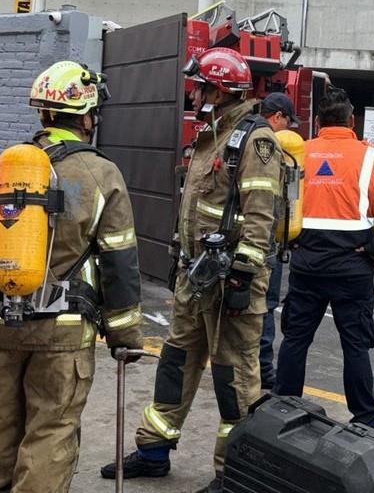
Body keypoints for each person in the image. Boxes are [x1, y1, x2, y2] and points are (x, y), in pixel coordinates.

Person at [104, 47, 282, 493]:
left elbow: (261, 216)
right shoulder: (212, 135)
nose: (196, 93)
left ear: (220, 90)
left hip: (230, 283)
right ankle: (152, 450)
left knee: (234, 376)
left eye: (202, 86)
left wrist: (243, 275)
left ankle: (233, 473)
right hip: (197, 277)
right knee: (176, 361)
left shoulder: (255, 140)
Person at [0, 61, 143, 493]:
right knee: (50, 433)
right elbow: (119, 263)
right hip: (64, 334)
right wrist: (125, 337)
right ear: (86, 116)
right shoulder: (102, 174)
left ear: (43, 113)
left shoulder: (2, 168)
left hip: (2, 322)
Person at [273, 88, 374, 431]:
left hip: (307, 264)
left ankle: (283, 406)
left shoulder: (301, 153)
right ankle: (365, 416)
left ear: (318, 123)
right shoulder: (370, 157)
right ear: (352, 122)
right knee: (355, 344)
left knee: (295, 339)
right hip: (353, 267)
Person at [258, 91, 301, 390]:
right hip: (268, 238)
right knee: (265, 305)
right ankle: (262, 369)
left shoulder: (239, 133)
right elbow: (291, 197)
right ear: (278, 117)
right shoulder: (278, 146)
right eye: (288, 121)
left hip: (236, 237)